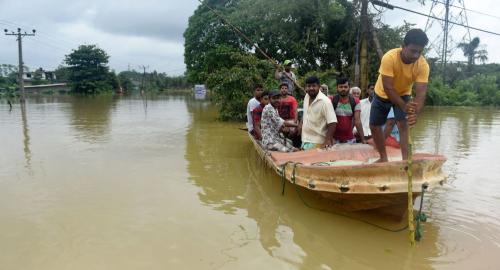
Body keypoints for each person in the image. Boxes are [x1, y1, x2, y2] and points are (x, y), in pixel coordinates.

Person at [369, 28, 430, 162]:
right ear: (403, 46)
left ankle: (405, 161)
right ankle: (383, 158)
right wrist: (404, 107)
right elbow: (388, 87)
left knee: (404, 124)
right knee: (374, 126)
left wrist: (415, 112)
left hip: (403, 94)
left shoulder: (423, 65)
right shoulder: (389, 58)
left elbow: (421, 92)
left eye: (419, 52)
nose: (416, 55)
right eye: (413, 51)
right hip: (382, 93)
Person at [299, 76, 337, 150]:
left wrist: (328, 140)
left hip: (318, 142)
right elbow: (306, 112)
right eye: (308, 86)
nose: (311, 88)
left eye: (314, 86)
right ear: (305, 87)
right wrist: (301, 123)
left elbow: (332, 122)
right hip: (305, 139)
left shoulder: (325, 101)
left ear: (319, 87)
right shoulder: (306, 96)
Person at [330, 78, 366, 144]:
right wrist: (329, 138)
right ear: (337, 88)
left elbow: (357, 121)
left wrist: (363, 140)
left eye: (345, 87)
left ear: (349, 88)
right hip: (334, 140)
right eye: (341, 87)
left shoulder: (355, 101)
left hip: (350, 140)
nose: (343, 89)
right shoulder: (331, 100)